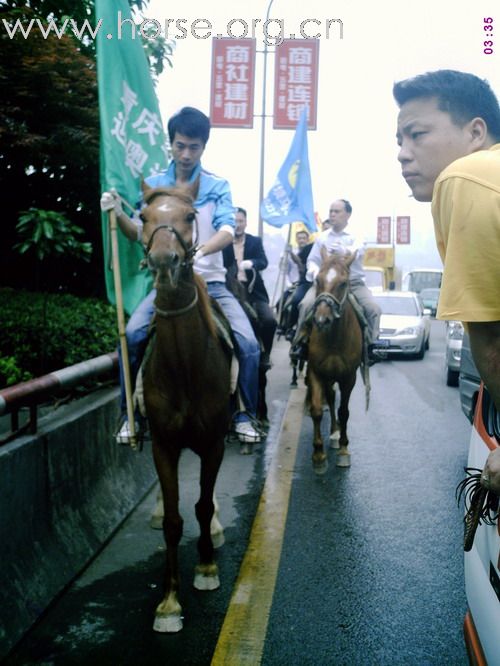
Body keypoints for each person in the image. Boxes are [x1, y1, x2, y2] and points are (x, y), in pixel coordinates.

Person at [100, 107, 262, 445]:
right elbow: (136, 234)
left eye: (194, 147)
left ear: (204, 146)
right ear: (171, 144)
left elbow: (228, 230)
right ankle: (128, 414)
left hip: (212, 285)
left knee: (248, 343)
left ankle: (245, 415)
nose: (186, 154)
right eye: (180, 145)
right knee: (131, 336)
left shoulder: (217, 185)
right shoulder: (155, 184)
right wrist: (116, 210)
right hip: (165, 286)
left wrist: (202, 251)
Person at [393, 69, 500, 494]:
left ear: (476, 131)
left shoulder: (467, 177)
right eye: (399, 141)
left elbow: (490, 334)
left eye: (416, 135)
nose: (402, 153)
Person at [291, 199, 383, 361]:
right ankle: (300, 343)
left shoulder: (357, 236)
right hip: (325, 284)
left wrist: (345, 251)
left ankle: (371, 345)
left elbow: (358, 250)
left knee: (373, 308)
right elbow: (312, 260)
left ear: (348, 214)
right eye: (331, 211)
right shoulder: (322, 238)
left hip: (352, 283)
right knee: (305, 305)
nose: (332, 215)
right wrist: (315, 271)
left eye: (337, 211)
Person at [222, 207, 277, 369]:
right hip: (229, 290)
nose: (237, 225)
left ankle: (265, 353)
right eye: (234, 222)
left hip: (252, 291)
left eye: (240, 221)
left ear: (246, 223)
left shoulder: (255, 241)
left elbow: (263, 261)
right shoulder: (223, 242)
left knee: (269, 320)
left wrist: (252, 263)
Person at [282, 229, 314, 337]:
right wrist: (289, 253)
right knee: (293, 300)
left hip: (326, 284)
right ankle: (290, 327)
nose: (302, 240)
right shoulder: (311, 248)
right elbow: (299, 263)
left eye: (304, 238)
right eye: (299, 238)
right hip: (304, 282)